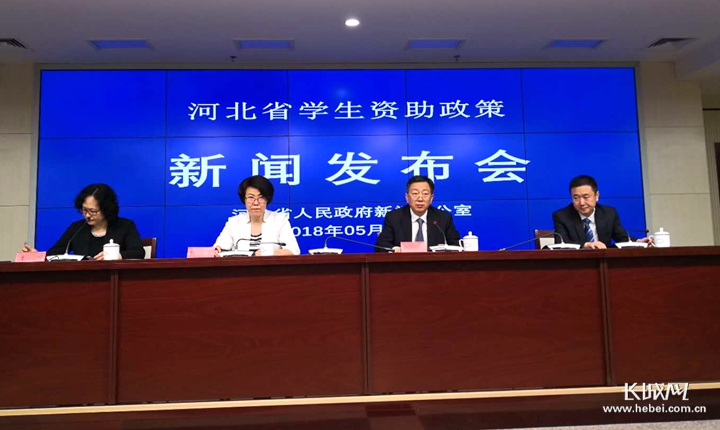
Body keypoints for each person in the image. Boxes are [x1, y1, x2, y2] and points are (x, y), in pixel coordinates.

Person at [21, 183, 145, 260]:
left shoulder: (125, 226)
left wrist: (118, 256)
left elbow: (139, 252)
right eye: (84, 210)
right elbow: (55, 253)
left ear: (107, 209)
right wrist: (37, 256)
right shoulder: (76, 228)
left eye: (93, 211)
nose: (87, 215)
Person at [552, 175, 652, 249]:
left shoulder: (609, 213)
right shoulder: (562, 216)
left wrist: (638, 242)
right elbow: (561, 243)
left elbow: (622, 238)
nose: (581, 203)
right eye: (576, 198)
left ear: (597, 196)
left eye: (586, 197)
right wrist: (586, 245)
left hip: (604, 262)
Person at [213, 175, 300, 256]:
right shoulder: (234, 222)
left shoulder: (279, 220)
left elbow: (293, 251)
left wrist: (267, 253)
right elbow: (219, 248)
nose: (255, 203)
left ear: (267, 199)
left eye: (261, 198)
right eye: (251, 197)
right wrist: (218, 249)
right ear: (244, 199)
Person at [376, 175, 460, 252]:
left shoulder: (443, 218)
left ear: (431, 198)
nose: (420, 199)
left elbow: (456, 245)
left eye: (425, 194)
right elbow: (381, 245)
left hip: (434, 262)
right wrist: (395, 249)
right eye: (415, 193)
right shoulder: (394, 217)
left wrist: (445, 248)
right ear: (407, 197)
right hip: (403, 262)